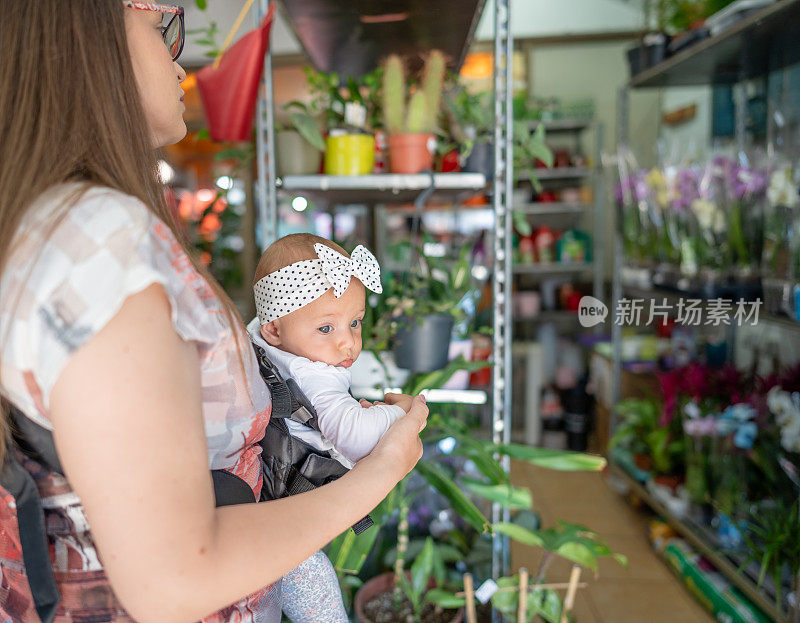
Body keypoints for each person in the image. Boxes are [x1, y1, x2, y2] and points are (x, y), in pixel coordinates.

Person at [0, 2, 428, 622]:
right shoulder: (100, 241)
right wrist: (383, 468)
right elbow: (175, 577)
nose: (181, 57)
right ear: (85, 39)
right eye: (159, 28)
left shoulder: (51, 228)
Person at [247, 234, 413, 621]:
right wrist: (398, 414)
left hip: (256, 496)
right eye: (326, 329)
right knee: (316, 589)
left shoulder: (262, 337)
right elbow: (354, 436)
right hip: (288, 504)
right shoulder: (316, 375)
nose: (347, 344)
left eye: (355, 323)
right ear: (274, 330)